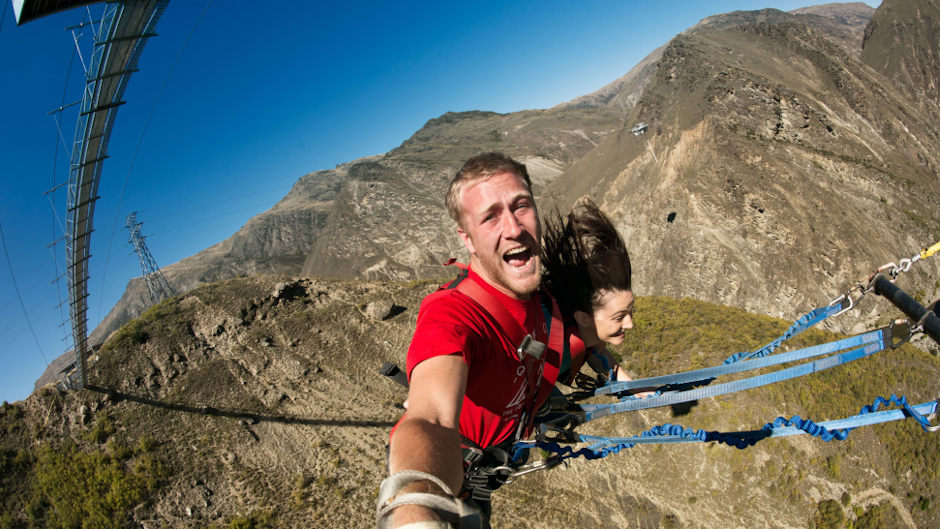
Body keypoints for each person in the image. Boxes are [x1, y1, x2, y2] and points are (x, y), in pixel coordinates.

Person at [379, 152, 566, 529]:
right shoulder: (452, 313)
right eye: (490, 216)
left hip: (486, 471)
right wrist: (416, 507)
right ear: (468, 239)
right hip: (456, 481)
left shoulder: (540, 297)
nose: (514, 228)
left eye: (521, 205)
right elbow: (429, 418)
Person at [540, 199, 638, 387]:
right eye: (619, 317)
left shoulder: (586, 332)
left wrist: (639, 390)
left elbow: (597, 351)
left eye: (630, 312)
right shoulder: (546, 336)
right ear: (584, 318)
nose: (630, 324)